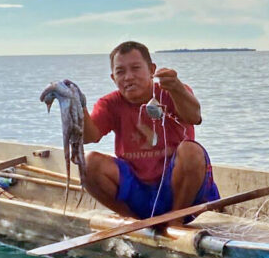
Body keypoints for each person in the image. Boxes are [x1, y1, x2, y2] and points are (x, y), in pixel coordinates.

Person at [83, 41, 219, 226]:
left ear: (151, 70)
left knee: (191, 151)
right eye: (121, 72)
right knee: (87, 164)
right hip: (139, 191)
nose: (129, 77)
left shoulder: (171, 91)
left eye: (136, 68)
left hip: (181, 192)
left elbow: (194, 116)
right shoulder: (110, 103)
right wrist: (78, 107)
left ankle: (175, 220)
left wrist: (176, 87)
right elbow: (88, 137)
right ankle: (134, 222)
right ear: (113, 78)